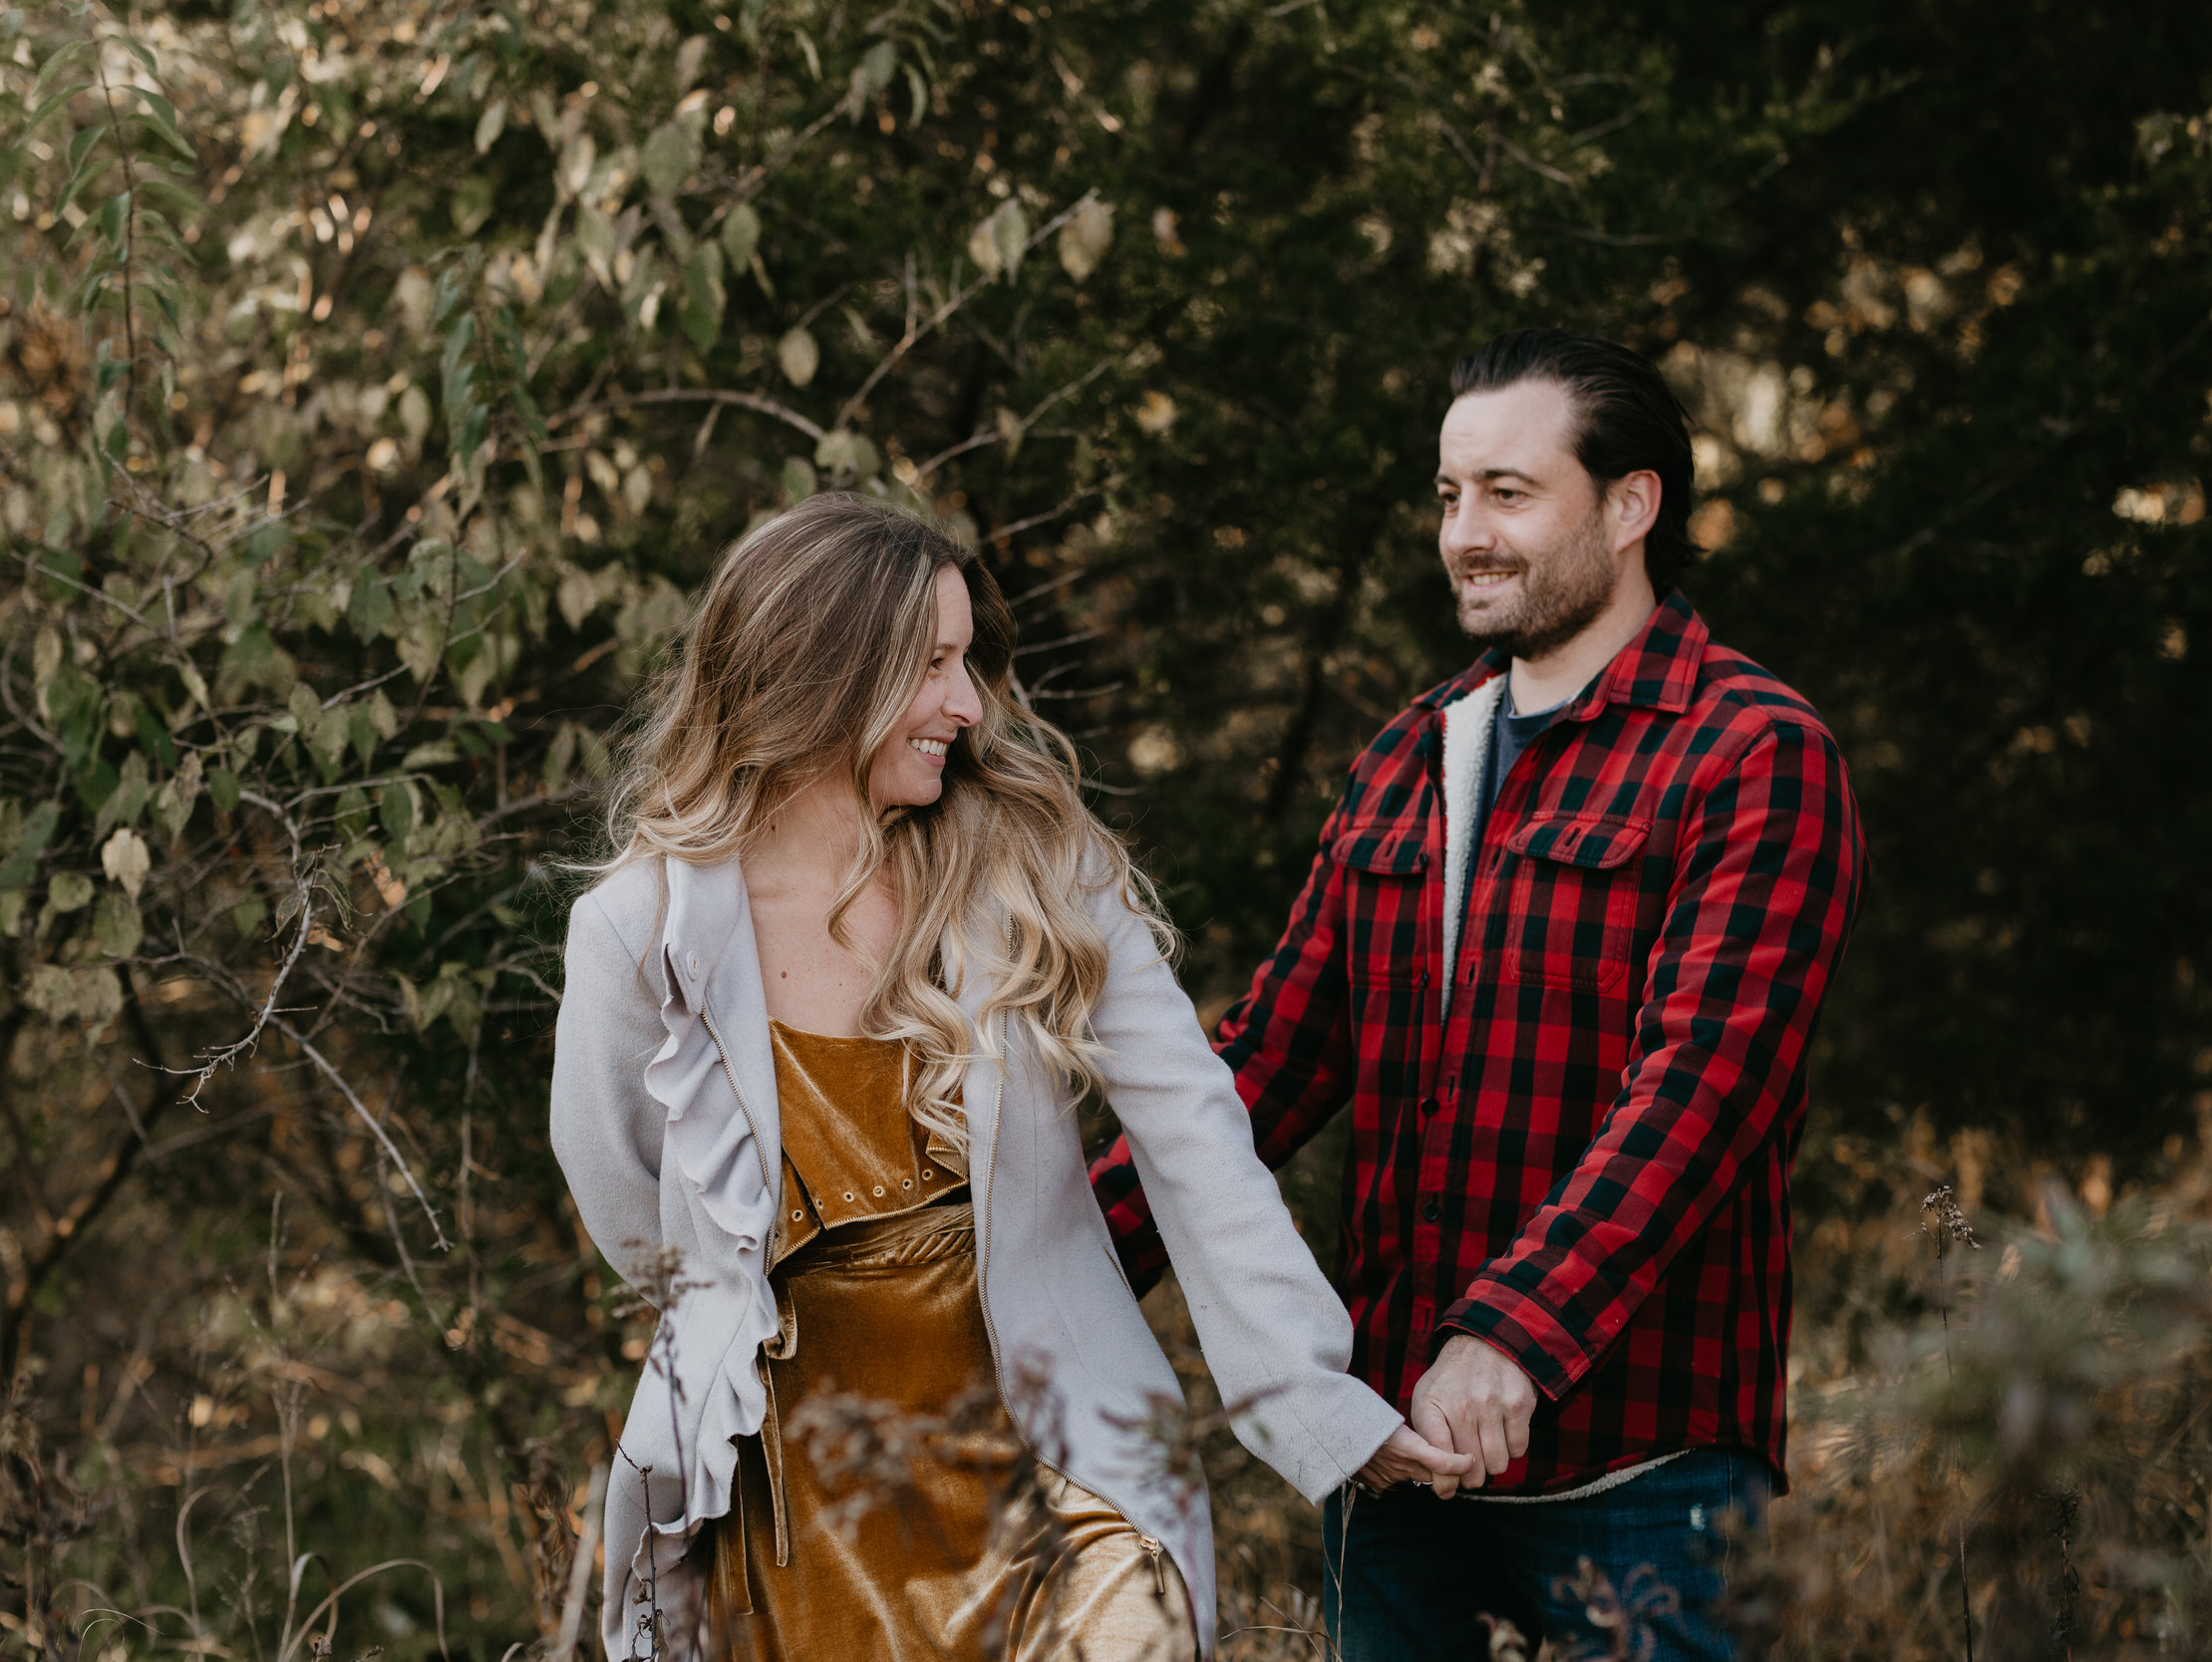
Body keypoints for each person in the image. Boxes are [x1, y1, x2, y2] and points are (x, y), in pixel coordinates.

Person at [548, 493, 1469, 1662]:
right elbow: (633, 1216)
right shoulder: (639, 929)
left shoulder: (1042, 866)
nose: (969, 703)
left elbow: (1196, 1139)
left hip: (1058, 1484)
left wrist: (1315, 1398)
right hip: (781, 1517)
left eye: (968, 659)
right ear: (822, 672)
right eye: (933, 663)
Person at [1091, 329, 1868, 1661]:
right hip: (1396, 1455)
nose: (1465, 533)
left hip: (1647, 1470)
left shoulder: (1753, 751)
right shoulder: (1411, 752)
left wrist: (1512, 1333)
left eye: (1508, 492)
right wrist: (1052, 1263)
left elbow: (1704, 1091)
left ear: (1631, 506)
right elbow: (1263, 1062)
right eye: (1450, 497)